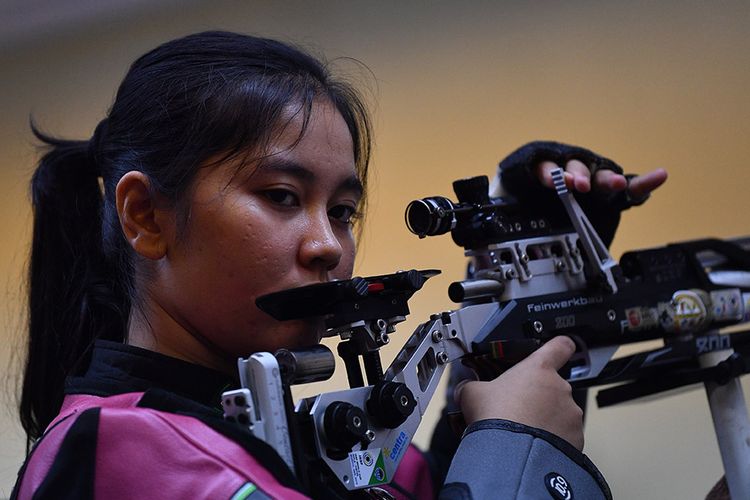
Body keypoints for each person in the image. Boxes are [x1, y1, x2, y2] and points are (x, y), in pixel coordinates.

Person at [12, 31, 665, 499]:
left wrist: (551, 274)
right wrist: (516, 447)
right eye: (282, 197)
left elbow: (444, 487)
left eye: (344, 210)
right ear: (146, 217)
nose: (327, 245)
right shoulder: (117, 452)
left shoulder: (312, 442)